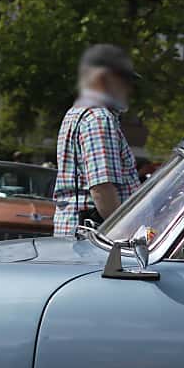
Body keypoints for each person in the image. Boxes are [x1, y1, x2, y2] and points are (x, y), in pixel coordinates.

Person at [53, 44, 141, 237]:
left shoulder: (77, 112)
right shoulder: (99, 118)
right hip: (94, 238)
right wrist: (124, 235)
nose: (129, 89)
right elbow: (102, 189)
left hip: (79, 233)